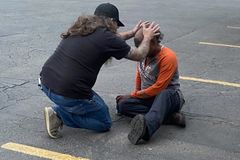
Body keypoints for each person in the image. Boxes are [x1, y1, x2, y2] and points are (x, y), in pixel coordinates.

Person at [39, 3, 160, 139]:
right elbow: (139, 55)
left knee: (97, 107)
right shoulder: (107, 37)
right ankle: (58, 115)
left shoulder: (82, 29)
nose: (116, 29)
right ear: (112, 22)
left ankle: (66, 107)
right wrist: (148, 38)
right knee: (103, 122)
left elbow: (114, 40)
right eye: (117, 25)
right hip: (67, 92)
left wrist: (132, 33)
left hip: (46, 82)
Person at [116, 27, 186, 145]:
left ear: (152, 42)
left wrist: (133, 95)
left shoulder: (168, 56)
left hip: (170, 97)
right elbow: (139, 74)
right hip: (149, 96)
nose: (140, 50)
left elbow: (159, 87)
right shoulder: (143, 53)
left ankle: (147, 129)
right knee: (122, 105)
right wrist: (135, 96)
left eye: (142, 46)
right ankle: (170, 118)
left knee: (164, 93)